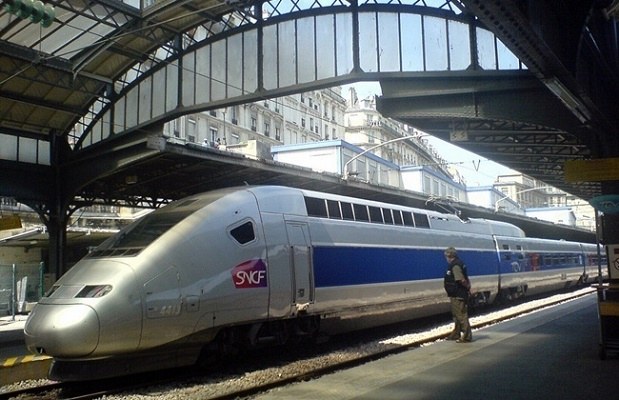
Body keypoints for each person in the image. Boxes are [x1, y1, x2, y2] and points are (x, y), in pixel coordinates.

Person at [443, 246, 472, 343]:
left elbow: (460, 279)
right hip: (455, 293)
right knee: (456, 315)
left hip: (458, 294)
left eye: (446, 256)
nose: (446, 259)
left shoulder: (455, 265)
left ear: (449, 256)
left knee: (461, 315)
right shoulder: (457, 263)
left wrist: (467, 287)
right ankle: (456, 333)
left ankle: (467, 336)